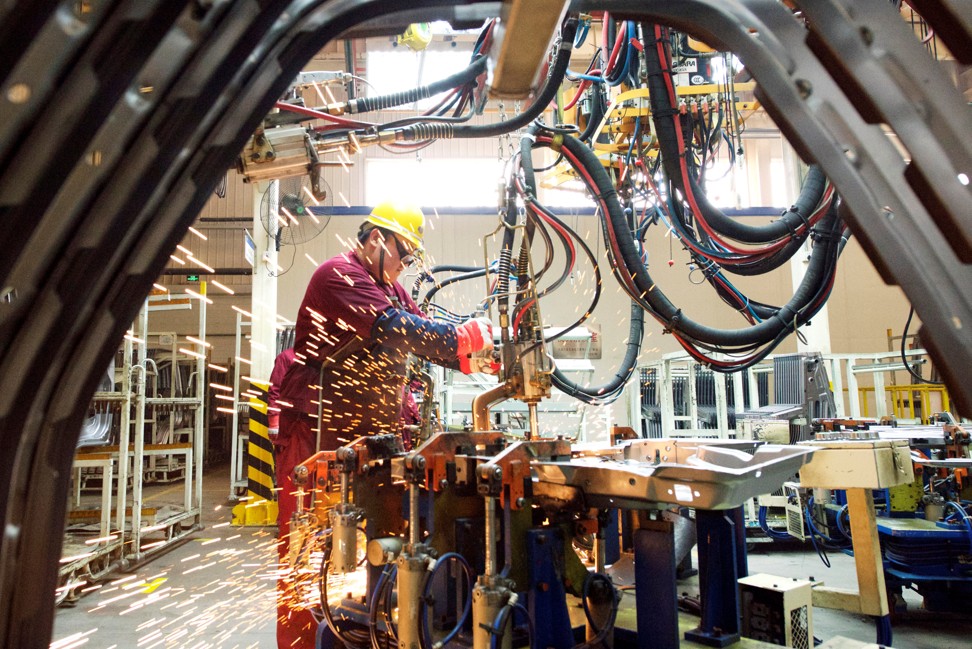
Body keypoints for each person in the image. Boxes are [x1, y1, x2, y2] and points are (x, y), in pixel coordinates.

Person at [273, 201, 493, 648]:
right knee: (307, 549)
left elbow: (423, 326)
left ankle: (357, 630)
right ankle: (299, 643)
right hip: (317, 436)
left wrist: (473, 351)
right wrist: (459, 340)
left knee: (372, 543)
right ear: (377, 239)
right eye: (404, 254)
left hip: (364, 440)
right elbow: (396, 329)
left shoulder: (387, 286)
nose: (406, 264)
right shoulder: (339, 275)